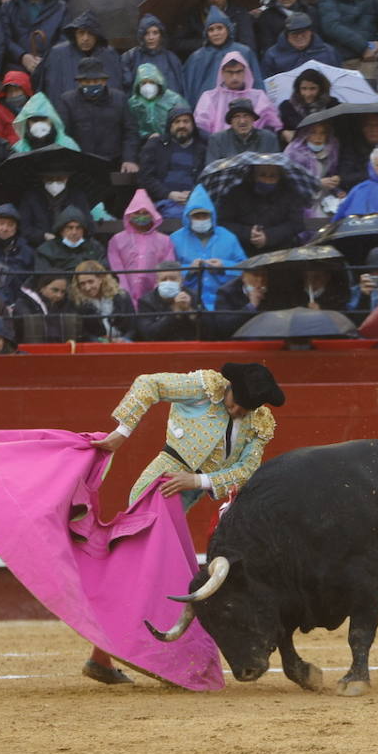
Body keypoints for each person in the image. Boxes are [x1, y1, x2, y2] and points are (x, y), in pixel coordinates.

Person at [85, 362, 284, 684]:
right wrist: (121, 434)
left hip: (189, 491)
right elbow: (148, 382)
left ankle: (105, 657)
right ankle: (128, 658)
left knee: (147, 571)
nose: (238, 411)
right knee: (146, 570)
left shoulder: (259, 422)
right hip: (159, 484)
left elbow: (246, 471)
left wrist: (200, 481)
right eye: (237, 402)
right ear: (229, 386)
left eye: (247, 408)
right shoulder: (206, 388)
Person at [57, 57, 140, 172]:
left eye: (96, 81)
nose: (91, 85)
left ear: (104, 81)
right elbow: (63, 134)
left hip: (114, 163)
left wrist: (129, 159)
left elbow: (130, 131)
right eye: (86, 82)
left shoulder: (119, 98)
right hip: (80, 164)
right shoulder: (67, 101)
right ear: (79, 83)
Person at [170, 186, 246, 311]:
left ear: (212, 216)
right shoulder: (175, 239)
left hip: (224, 302)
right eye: (196, 216)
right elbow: (169, 272)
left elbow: (244, 267)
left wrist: (224, 266)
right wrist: (189, 270)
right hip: (188, 303)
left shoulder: (228, 237)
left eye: (204, 215)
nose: (201, 219)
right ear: (188, 217)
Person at [34, 10, 124, 105]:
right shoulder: (56, 54)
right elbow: (39, 84)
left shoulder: (109, 54)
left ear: (97, 36)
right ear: (74, 35)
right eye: (81, 33)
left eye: (90, 33)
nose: (85, 38)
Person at [180, 6, 265, 106]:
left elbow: (257, 84)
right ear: (206, 34)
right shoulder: (197, 58)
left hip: (241, 110)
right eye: (211, 30)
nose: (216, 33)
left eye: (219, 28)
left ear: (228, 29)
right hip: (207, 111)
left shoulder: (244, 52)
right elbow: (189, 91)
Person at [218, 163, 307, 256]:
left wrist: (269, 236)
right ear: (253, 175)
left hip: (281, 252)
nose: (267, 180)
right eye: (262, 175)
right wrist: (248, 233)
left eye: (273, 176)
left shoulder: (290, 193)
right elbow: (223, 222)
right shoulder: (236, 193)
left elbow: (296, 223)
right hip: (243, 251)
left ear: (280, 177)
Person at [138, 107, 208, 220]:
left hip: (194, 201)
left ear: (193, 125)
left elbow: (207, 178)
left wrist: (193, 195)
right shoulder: (155, 145)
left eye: (186, 121)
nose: (181, 126)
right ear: (170, 126)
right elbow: (145, 178)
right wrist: (169, 194)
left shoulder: (202, 149)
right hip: (162, 200)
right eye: (177, 122)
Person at [109, 190, 175, 305]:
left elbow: (166, 270)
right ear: (129, 215)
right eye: (137, 213)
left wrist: (155, 295)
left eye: (145, 213)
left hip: (156, 299)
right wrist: (126, 295)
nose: (141, 216)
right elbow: (117, 271)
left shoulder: (165, 241)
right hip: (124, 298)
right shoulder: (117, 240)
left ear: (152, 215)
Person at [194, 53, 283, 137]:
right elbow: (201, 127)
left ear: (245, 72)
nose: (234, 77)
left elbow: (272, 124)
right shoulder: (209, 97)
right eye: (230, 72)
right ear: (222, 73)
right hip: (220, 148)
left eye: (238, 72)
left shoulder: (259, 96)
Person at [136, 260, 209, 341]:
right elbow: (148, 335)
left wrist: (190, 311)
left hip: (189, 347)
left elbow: (209, 332)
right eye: (164, 279)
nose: (168, 282)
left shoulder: (192, 296)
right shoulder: (146, 301)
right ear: (157, 281)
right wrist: (175, 311)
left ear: (182, 280)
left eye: (173, 279)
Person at [69, 260, 136, 341]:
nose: (87, 288)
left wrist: (124, 340)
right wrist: (100, 341)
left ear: (101, 278)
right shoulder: (77, 302)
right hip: (94, 347)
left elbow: (133, 327)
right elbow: (82, 333)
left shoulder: (122, 296)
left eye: (91, 282)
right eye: (82, 284)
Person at [122, 14, 186, 96]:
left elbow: (180, 88)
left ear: (161, 35)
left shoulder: (171, 59)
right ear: (141, 36)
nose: (151, 37)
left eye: (155, 33)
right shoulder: (131, 57)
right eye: (146, 33)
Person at [205, 98, 282, 163]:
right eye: (236, 116)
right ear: (231, 121)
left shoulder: (269, 138)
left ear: (253, 119)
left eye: (246, 115)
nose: (242, 121)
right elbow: (211, 169)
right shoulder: (217, 140)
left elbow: (275, 168)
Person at [262, 12, 340, 74]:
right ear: (287, 35)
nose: (299, 36)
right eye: (294, 33)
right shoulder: (272, 55)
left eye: (303, 32)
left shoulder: (328, 52)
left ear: (310, 32)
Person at [35, 207, 106, 275]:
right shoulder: (46, 250)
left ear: (84, 230)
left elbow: (105, 272)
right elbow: (43, 280)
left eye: (78, 228)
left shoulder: (95, 248)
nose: (74, 232)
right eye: (70, 228)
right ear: (61, 230)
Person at [278, 68, 338, 142]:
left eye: (312, 89)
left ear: (321, 89)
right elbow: (279, 129)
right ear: (298, 89)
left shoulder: (332, 105)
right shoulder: (287, 107)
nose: (308, 94)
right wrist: (284, 133)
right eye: (304, 88)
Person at [129, 63, 186, 141]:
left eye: (152, 82)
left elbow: (185, 123)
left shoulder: (174, 99)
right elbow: (130, 127)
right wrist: (147, 136)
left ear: (159, 82)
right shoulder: (133, 103)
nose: (147, 86)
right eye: (144, 83)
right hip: (144, 143)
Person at [254, 0, 322, 58]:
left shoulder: (310, 11)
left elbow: (317, 38)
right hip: (281, 59)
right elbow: (267, 44)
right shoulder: (266, 16)